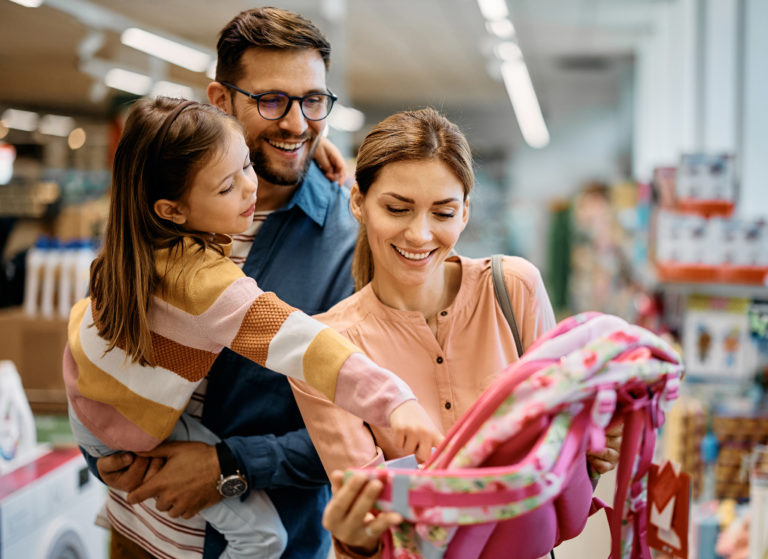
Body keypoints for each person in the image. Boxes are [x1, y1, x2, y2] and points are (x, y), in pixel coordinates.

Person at [67, 97, 442, 559]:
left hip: (91, 402)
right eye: (228, 185)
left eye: (247, 164)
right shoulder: (206, 283)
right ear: (173, 209)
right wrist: (395, 400)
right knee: (264, 538)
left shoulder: (133, 242)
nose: (251, 187)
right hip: (127, 439)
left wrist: (316, 152)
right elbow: (307, 346)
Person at [288, 107, 622, 558]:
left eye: (442, 212)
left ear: (465, 212)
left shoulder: (514, 289)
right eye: (397, 208)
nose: (420, 234)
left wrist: (589, 449)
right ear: (358, 202)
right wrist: (359, 539)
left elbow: (558, 459)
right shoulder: (329, 350)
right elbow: (373, 523)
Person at [90, 8, 363, 559]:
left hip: (260, 539)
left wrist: (230, 465)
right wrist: (100, 448)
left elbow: (366, 428)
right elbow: (105, 338)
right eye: (271, 100)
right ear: (220, 100)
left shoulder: (349, 241)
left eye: (312, 100)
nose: (296, 123)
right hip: (137, 532)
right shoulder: (161, 208)